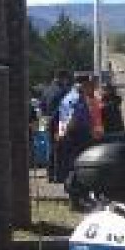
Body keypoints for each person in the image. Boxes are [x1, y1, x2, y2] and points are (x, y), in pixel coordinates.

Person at [55, 76, 96, 209]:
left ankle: (78, 199)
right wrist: (66, 133)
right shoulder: (76, 98)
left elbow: (62, 118)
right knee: (77, 168)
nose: (91, 88)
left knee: (74, 167)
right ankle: (76, 201)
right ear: (83, 85)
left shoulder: (69, 96)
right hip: (77, 137)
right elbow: (71, 119)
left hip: (73, 136)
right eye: (89, 85)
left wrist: (62, 133)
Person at [39, 70, 71, 183]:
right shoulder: (63, 91)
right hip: (60, 123)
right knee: (60, 149)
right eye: (66, 79)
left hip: (48, 122)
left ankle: (50, 175)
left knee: (51, 148)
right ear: (63, 78)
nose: (67, 82)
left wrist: (42, 127)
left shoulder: (46, 90)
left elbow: (42, 108)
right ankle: (59, 175)